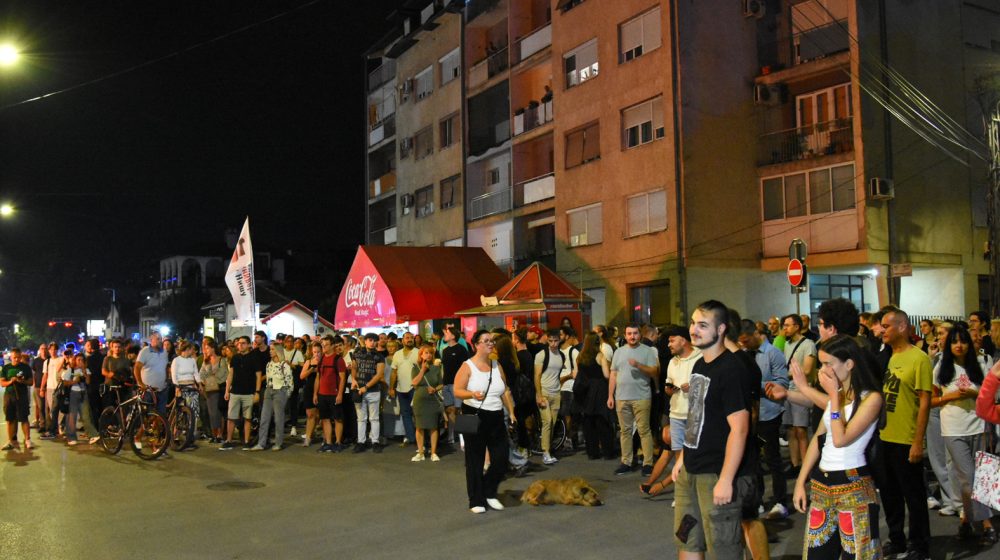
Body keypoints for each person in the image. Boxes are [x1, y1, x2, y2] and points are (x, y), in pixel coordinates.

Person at [670, 301, 754, 560]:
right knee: (687, 540)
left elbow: (739, 429)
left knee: (723, 550)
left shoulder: (732, 369)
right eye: (694, 323)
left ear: (720, 330)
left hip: (716, 474)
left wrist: (726, 480)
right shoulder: (699, 365)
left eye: (703, 325)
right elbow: (696, 418)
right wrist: (683, 457)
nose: (694, 330)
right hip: (691, 471)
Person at [792, 334, 884, 559]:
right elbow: (819, 440)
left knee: (858, 554)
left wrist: (833, 396)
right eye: (821, 363)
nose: (823, 370)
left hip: (853, 485)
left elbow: (841, 439)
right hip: (822, 485)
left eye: (828, 364)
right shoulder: (840, 397)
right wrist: (800, 481)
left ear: (849, 364)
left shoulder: (871, 398)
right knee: (817, 554)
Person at [874, 309, 932, 560]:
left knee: (914, 496)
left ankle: (919, 545)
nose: (881, 330)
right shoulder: (885, 357)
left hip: (906, 439)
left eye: (886, 326)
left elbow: (925, 402)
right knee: (889, 493)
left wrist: (917, 441)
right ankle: (896, 538)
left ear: (901, 327)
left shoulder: (919, 358)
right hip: (884, 437)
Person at [931, 326, 997, 545]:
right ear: (949, 345)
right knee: (969, 478)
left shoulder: (979, 364)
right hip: (952, 429)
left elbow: (991, 396)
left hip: (979, 426)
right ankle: (987, 524)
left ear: (969, 343)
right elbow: (931, 400)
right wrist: (948, 397)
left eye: (963, 341)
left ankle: (965, 520)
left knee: (982, 476)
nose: (959, 345)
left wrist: (974, 393)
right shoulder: (941, 366)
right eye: (954, 341)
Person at [453, 329, 516, 514]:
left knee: (501, 458)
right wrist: (472, 394)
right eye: (486, 340)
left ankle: (488, 491)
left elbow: (505, 390)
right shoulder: (467, 366)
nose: (491, 343)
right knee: (475, 460)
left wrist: (511, 412)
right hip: (473, 414)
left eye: (492, 341)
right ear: (476, 344)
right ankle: (476, 499)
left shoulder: (497, 365)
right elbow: (457, 390)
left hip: (495, 416)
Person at [738, 319, 790, 519]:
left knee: (772, 458)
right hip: (749, 416)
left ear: (755, 335)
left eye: (746, 340)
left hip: (769, 413)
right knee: (753, 461)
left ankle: (780, 501)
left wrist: (754, 384)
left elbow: (782, 383)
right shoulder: (743, 355)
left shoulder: (772, 354)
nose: (743, 345)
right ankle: (756, 500)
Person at [608, 324, 659, 476]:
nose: (632, 336)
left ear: (640, 335)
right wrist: (610, 395)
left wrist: (638, 365)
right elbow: (613, 374)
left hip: (641, 396)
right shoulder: (618, 352)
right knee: (625, 431)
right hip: (621, 397)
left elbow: (654, 371)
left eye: (635, 333)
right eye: (629, 333)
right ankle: (626, 461)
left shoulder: (647, 351)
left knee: (644, 430)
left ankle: (648, 463)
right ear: (625, 335)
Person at [663, 326, 701, 488]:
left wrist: (693, 387)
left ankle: (697, 489)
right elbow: (668, 385)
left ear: (683, 340)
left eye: (672, 341)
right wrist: (669, 389)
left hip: (694, 415)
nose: (668, 344)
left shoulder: (700, 358)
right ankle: (683, 492)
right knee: (679, 455)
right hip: (676, 414)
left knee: (695, 455)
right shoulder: (672, 362)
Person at [781, 313, 817, 478]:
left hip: (801, 392)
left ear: (797, 326)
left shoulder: (808, 344)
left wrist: (786, 374)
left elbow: (808, 370)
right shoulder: (787, 345)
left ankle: (806, 466)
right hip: (788, 391)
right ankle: (795, 464)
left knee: (801, 430)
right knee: (790, 430)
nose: (785, 329)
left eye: (788, 325)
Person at [575, 332, 615, 460]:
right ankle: (607, 451)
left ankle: (592, 452)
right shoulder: (600, 356)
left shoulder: (580, 357)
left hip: (586, 391)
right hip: (599, 390)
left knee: (589, 423)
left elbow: (577, 374)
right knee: (602, 421)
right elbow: (606, 375)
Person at [220, 336, 262, 451]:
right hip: (235, 392)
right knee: (231, 417)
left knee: (247, 418)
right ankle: (229, 440)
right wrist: (227, 390)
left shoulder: (254, 358)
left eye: (243, 343)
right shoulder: (235, 358)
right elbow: (230, 374)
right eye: (239, 343)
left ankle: (247, 441)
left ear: (249, 345)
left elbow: (258, 375)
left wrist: (257, 392)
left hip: (249, 392)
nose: (240, 345)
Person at [253, 342, 293, 451]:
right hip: (269, 390)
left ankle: (278, 443)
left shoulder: (284, 365)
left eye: (272, 349)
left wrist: (286, 394)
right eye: (270, 349)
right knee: (264, 417)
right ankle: (261, 443)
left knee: (278, 418)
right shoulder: (269, 364)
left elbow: (290, 381)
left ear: (278, 351)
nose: (270, 351)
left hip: (280, 390)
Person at [350, 333, 385, 453]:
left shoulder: (379, 356)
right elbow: (354, 367)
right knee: (361, 418)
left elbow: (379, 374)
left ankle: (375, 441)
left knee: (374, 418)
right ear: (365, 341)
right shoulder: (357, 353)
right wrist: (354, 379)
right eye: (370, 340)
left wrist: (367, 386)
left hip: (373, 391)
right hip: (359, 390)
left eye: (375, 340)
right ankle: (361, 441)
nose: (373, 342)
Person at [534, 329, 564, 465]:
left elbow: (557, 376)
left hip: (556, 393)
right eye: (550, 341)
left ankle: (548, 450)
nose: (553, 344)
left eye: (556, 341)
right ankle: (546, 452)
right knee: (547, 422)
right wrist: (539, 395)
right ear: (547, 339)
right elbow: (537, 375)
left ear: (560, 339)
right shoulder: (541, 355)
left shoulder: (561, 355)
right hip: (544, 392)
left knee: (552, 423)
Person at [410, 343, 444, 462]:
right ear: (421, 354)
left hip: (432, 400)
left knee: (433, 426)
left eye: (430, 353)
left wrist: (435, 389)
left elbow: (441, 384)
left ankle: (433, 452)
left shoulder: (436, 368)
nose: (429, 355)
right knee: (419, 427)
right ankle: (420, 452)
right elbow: (414, 382)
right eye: (426, 353)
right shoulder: (416, 367)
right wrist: (423, 370)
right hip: (420, 400)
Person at [314, 336, 347, 453]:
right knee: (325, 419)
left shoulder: (338, 360)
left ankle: (338, 442)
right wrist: (315, 394)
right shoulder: (321, 359)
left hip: (334, 394)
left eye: (326, 345)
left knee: (338, 419)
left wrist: (339, 394)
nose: (324, 347)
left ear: (332, 345)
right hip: (322, 394)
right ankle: (328, 443)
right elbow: (318, 377)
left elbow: (343, 378)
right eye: (323, 345)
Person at [1, 348, 34, 451]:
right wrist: (11, 382)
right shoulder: (6, 368)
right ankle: (11, 441)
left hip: (22, 395)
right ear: (11, 357)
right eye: (14, 357)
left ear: (21, 357)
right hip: (9, 395)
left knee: (24, 418)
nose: (17, 359)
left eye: (19, 357)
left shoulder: (25, 367)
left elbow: (31, 382)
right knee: (10, 419)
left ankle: (27, 439)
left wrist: (22, 381)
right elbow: (2, 383)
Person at [390, 332, 419, 446]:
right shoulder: (397, 354)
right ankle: (412, 438)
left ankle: (420, 438)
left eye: (411, 338)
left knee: (417, 414)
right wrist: (391, 388)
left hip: (414, 388)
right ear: (402, 341)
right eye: (407, 338)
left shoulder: (418, 352)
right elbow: (394, 372)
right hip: (400, 389)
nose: (410, 339)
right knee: (405, 414)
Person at [199, 338, 228, 443]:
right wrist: (208, 376)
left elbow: (223, 374)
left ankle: (220, 434)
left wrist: (210, 375)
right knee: (211, 413)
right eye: (205, 348)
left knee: (218, 412)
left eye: (207, 348)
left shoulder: (222, 360)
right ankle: (214, 434)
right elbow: (201, 374)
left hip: (219, 389)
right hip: (209, 390)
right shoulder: (205, 361)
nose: (206, 350)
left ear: (213, 348)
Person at [135, 332, 170, 418]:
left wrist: (167, 379)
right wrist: (140, 383)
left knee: (160, 416)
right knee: (147, 415)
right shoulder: (145, 351)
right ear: (151, 340)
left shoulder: (164, 352)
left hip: (162, 389)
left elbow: (165, 367)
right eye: (157, 339)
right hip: (148, 390)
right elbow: (137, 368)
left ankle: (156, 430)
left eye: (160, 339)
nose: (160, 341)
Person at [62, 353, 88, 446]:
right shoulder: (71, 370)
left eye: (82, 360)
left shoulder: (86, 370)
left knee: (85, 414)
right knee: (72, 416)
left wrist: (84, 371)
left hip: (83, 393)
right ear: (75, 361)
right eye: (78, 360)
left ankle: (90, 434)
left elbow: (88, 381)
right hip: (73, 393)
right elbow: (64, 382)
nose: (80, 362)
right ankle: (71, 437)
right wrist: (74, 381)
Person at [283, 336, 305, 438]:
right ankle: (282, 425)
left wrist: (291, 365)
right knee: (281, 404)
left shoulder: (298, 353)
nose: (290, 343)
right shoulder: (281, 352)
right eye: (288, 341)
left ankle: (293, 426)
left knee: (293, 404)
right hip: (282, 381)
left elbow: (302, 367)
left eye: (292, 341)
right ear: (284, 342)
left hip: (293, 381)